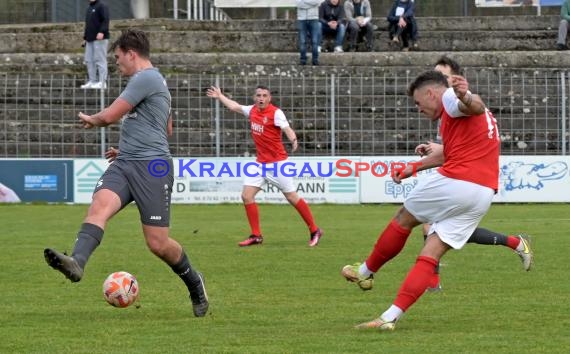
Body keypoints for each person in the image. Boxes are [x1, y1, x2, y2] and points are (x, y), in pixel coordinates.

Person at [44, 28, 209, 317]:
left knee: (157, 244)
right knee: (99, 207)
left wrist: (92, 119)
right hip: (126, 162)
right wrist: (129, 147)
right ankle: (77, 262)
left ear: (132, 54)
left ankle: (195, 282)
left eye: (119, 57)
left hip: (153, 167)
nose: (117, 63)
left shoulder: (145, 77)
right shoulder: (155, 82)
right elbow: (166, 128)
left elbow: (109, 116)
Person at [342, 70, 503, 330]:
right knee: (431, 253)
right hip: (483, 193)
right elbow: (449, 153)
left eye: (418, 103)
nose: (418, 109)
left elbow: (474, 105)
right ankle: (389, 318)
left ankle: (364, 272)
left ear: (431, 93)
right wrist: (413, 168)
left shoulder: (450, 97)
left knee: (404, 219)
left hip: (457, 182)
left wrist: (466, 95)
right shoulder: (468, 119)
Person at [206, 85, 323, 247]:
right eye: (258, 95)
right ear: (255, 98)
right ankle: (256, 235)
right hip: (260, 164)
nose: (261, 98)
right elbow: (234, 106)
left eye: (264, 95)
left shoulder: (276, 113)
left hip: (278, 164)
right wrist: (220, 96)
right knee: (247, 196)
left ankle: (314, 230)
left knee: (292, 197)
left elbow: (287, 128)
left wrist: (293, 139)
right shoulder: (252, 110)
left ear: (269, 98)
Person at [80, 0, 110, 89]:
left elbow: (105, 20)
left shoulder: (102, 6)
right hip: (90, 39)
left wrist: (102, 31)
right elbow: (88, 24)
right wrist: (85, 38)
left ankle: (102, 82)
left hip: (100, 38)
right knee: (89, 60)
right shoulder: (89, 8)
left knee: (100, 59)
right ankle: (92, 81)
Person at [296, 0, 322, 65]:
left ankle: (315, 60)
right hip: (302, 19)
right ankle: (303, 60)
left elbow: (317, 2)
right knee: (302, 41)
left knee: (315, 41)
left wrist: (304, 1)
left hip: (314, 18)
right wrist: (311, 4)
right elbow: (298, 4)